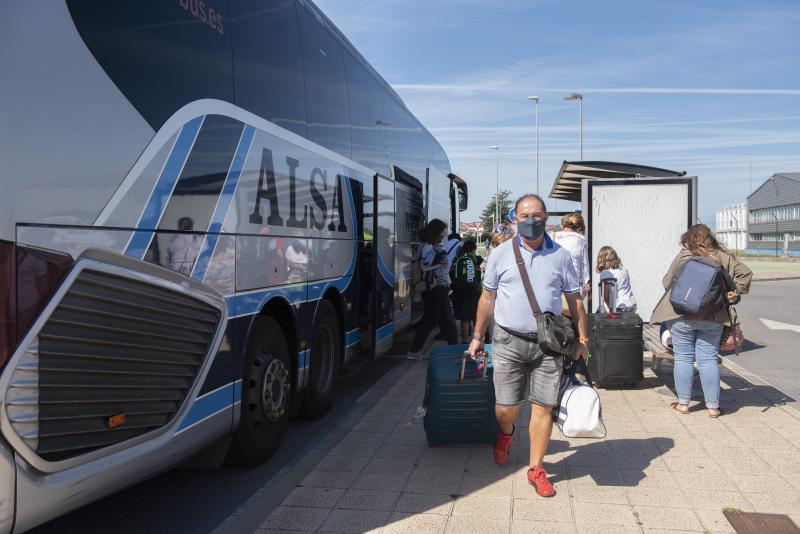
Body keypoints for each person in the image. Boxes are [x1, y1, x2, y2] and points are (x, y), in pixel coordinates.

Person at [469, 194, 589, 498]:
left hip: (548, 345)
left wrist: (583, 340)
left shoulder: (561, 256)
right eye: (524, 216)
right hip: (508, 341)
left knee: (543, 407)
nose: (531, 221)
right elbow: (487, 298)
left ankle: (536, 468)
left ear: (546, 219)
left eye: (536, 215)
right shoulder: (500, 254)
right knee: (506, 408)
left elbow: (575, 301)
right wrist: (477, 336)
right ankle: (506, 434)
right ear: (514, 220)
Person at [651, 224, 752, 418]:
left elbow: (666, 282)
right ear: (711, 238)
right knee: (708, 361)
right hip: (713, 316)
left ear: (688, 239)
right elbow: (745, 274)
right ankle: (713, 407)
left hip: (681, 315)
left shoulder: (684, 256)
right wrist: (734, 291)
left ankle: (683, 404)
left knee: (683, 358)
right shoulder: (721, 257)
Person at [407, 219, 459, 359]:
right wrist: (440, 264)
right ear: (435, 232)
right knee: (448, 321)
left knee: (431, 320)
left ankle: (414, 350)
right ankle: (455, 352)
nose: (443, 234)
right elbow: (424, 267)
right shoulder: (428, 247)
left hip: (435, 287)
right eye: (442, 231)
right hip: (436, 287)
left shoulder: (428, 245)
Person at [451, 239, 483, 343]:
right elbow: (478, 276)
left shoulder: (457, 258)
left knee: (464, 317)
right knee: (475, 316)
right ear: (474, 249)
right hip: (472, 290)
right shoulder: (474, 259)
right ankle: (476, 338)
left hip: (459, 290)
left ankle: (464, 339)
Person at [554, 213, 590, 297]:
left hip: (555, 284)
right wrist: (586, 283)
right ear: (579, 227)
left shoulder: (552, 236)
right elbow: (584, 265)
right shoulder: (581, 239)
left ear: (562, 225)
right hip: (574, 286)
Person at [595, 246, 636, 313]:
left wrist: (610, 310)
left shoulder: (606, 273)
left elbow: (605, 295)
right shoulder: (624, 270)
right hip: (631, 305)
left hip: (619, 308)